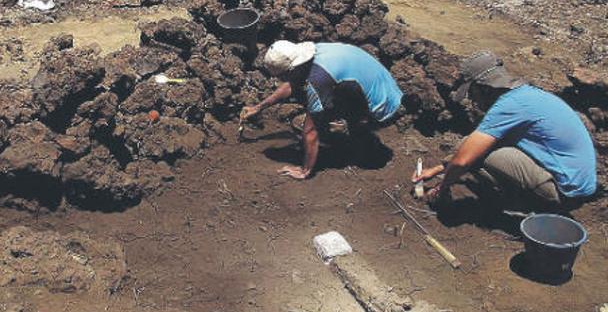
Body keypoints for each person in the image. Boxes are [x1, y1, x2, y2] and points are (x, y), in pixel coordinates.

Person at [414, 51, 597, 209]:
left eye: (472, 93)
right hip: (576, 184)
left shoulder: (509, 106)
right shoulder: (526, 95)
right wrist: (438, 169)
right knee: (477, 147)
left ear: (483, 88)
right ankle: (518, 199)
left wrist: (442, 187)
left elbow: (463, 161)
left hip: (566, 192)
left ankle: (529, 207)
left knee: (475, 154)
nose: (472, 100)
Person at [241, 40, 403, 179]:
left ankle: (364, 140)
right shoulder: (316, 52)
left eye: (282, 76)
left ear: (292, 69)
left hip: (383, 107)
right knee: (321, 111)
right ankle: (351, 125)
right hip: (386, 86)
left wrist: (304, 170)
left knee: (306, 126)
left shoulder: (318, 80)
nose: (282, 80)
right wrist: (258, 107)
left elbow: (310, 132)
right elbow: (292, 84)